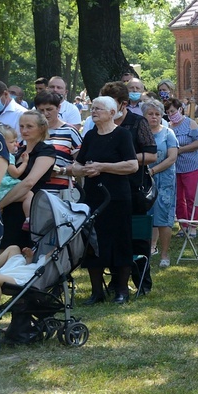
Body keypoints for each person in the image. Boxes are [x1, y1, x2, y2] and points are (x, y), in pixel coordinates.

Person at [72, 96, 138, 304]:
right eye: (92, 108)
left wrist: (102, 167)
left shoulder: (122, 135)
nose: (94, 111)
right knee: (93, 241)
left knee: (120, 240)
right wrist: (83, 170)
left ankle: (121, 290)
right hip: (93, 196)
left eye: (99, 109)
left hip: (117, 196)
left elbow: (132, 165)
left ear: (112, 113)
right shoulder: (91, 135)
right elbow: (76, 165)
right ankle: (96, 292)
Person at [100, 82, 157, 296]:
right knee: (112, 235)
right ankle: (116, 281)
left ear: (122, 104)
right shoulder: (98, 125)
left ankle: (143, 282)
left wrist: (126, 160)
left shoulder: (136, 122)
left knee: (137, 236)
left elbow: (152, 154)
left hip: (133, 187)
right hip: (108, 188)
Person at [0, 111, 56, 250]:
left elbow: (29, 182)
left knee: (16, 252)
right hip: (8, 207)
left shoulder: (46, 150)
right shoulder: (17, 151)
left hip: (26, 210)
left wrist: (0, 205)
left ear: (41, 128)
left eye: (29, 126)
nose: (24, 130)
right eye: (21, 126)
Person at [143, 100, 178, 268]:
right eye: (150, 114)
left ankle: (164, 254)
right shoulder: (139, 134)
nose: (154, 117)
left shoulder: (168, 134)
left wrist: (153, 171)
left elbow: (172, 158)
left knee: (163, 217)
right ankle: (145, 251)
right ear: (144, 116)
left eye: (157, 114)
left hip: (164, 182)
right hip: (143, 181)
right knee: (144, 216)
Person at [165, 98, 198, 238]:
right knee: (178, 198)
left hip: (191, 166)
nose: (171, 114)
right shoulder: (168, 127)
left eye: (173, 111)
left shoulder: (190, 123)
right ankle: (183, 226)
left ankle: (193, 225)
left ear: (180, 109)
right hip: (175, 167)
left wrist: (181, 150)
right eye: (168, 112)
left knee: (191, 196)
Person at [33, 91, 83, 196]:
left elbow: (82, 164)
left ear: (58, 108)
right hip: (34, 193)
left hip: (61, 192)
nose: (45, 114)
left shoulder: (70, 131)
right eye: (41, 110)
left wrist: (62, 170)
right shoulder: (32, 131)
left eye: (49, 109)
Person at [0, 125, 31, 229]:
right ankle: (29, 220)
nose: (16, 144)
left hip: (1, 189)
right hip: (5, 186)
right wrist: (25, 163)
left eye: (16, 141)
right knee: (29, 194)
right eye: (12, 142)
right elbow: (15, 173)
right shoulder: (6, 156)